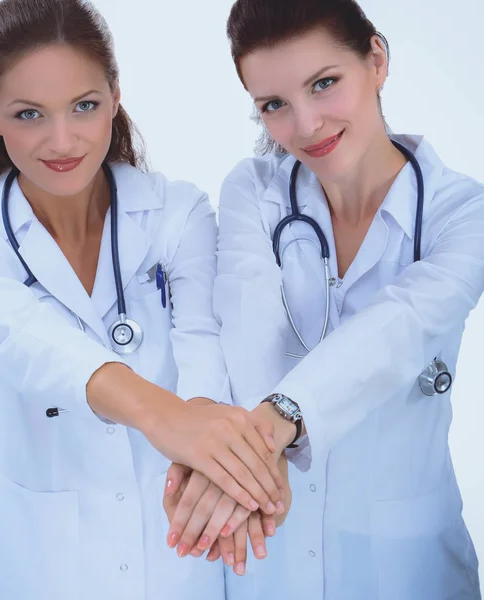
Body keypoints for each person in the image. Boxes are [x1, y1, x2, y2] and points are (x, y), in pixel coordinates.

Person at [0, 1, 288, 598]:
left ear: (115, 95)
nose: (62, 140)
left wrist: (215, 463)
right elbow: (28, 339)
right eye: (29, 113)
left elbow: (203, 348)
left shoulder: (176, 212)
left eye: (84, 106)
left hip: (180, 550)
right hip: (41, 565)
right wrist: (166, 419)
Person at [164, 1, 484, 598]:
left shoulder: (462, 212)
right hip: (264, 554)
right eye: (274, 106)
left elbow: (402, 323)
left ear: (377, 59)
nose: (306, 125)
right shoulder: (254, 191)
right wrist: (255, 451)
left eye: (324, 84)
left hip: (404, 568)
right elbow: (247, 327)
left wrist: (273, 425)